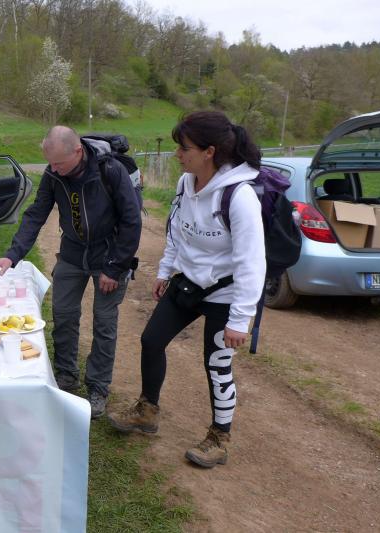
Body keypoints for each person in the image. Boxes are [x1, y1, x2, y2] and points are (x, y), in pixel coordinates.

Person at [109, 111, 266, 468]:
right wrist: (165, 271)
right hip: (189, 282)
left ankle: (219, 439)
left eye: (184, 148)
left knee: (217, 364)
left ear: (209, 152)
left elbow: (252, 263)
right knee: (151, 340)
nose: (178, 154)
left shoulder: (239, 196)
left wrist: (240, 319)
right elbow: (176, 231)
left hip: (225, 293)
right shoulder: (185, 183)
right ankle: (147, 411)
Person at [0, 125, 141, 418]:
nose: (54, 169)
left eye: (59, 163)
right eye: (50, 163)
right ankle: (66, 375)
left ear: (78, 151)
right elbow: (36, 214)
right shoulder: (53, 174)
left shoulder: (110, 170)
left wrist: (115, 267)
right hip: (72, 251)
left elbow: (132, 220)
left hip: (109, 255)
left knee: (104, 324)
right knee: (64, 314)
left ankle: (98, 388)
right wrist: (12, 256)